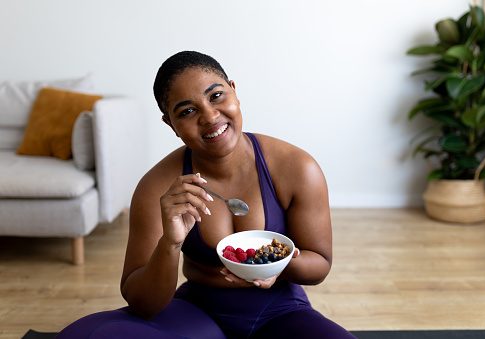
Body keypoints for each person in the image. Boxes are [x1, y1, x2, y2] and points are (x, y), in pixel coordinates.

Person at [57, 51, 356, 339]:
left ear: (234, 91)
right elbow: (142, 302)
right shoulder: (158, 187)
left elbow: (319, 266)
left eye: (216, 96)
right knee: (86, 335)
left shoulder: (297, 168)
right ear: (170, 124)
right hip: (196, 315)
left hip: (281, 312)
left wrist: (277, 265)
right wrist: (170, 242)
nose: (210, 117)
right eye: (187, 111)